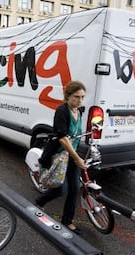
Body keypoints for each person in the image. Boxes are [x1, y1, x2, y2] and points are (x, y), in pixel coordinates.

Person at [35, 80, 87, 234]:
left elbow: (77, 134)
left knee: (74, 189)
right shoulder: (62, 111)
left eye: (82, 97)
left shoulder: (79, 111)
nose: (80, 100)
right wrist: (78, 158)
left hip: (71, 155)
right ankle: (40, 201)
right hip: (58, 155)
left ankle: (67, 220)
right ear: (68, 96)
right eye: (76, 97)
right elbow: (63, 138)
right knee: (60, 188)